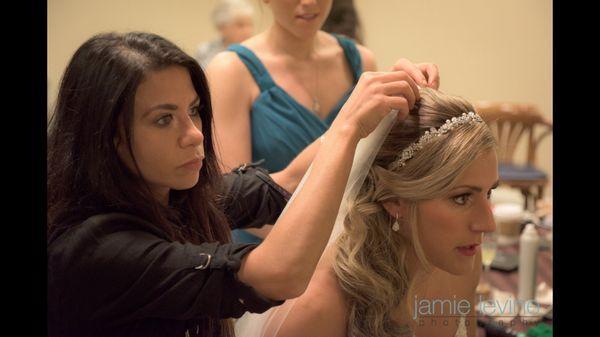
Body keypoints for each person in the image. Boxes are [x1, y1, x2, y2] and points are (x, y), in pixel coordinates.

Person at [47, 31, 419, 337]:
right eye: (163, 120)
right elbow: (278, 275)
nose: (194, 135)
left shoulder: (176, 197)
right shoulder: (95, 249)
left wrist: (379, 108)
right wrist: (346, 127)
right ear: (108, 137)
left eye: (193, 110)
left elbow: (289, 181)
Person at [234, 88, 499, 337]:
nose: (488, 224)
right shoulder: (315, 310)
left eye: (489, 192)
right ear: (394, 200)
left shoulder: (462, 261)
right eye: (462, 198)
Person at [207, 0, 440, 243]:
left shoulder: (359, 61)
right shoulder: (230, 71)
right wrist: (324, 250)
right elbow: (233, 204)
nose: (309, 2)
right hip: (267, 255)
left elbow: (371, 165)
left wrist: (412, 94)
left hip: (346, 252)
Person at [195, 0, 255, 68]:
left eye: (250, 24)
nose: (248, 30)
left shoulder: (257, 52)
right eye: (240, 25)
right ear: (222, 27)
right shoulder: (205, 51)